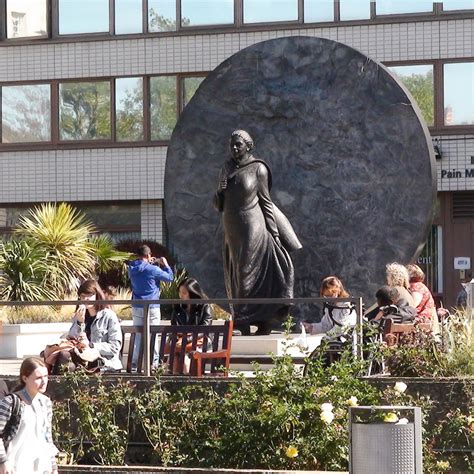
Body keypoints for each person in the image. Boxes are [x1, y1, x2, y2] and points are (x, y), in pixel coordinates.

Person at [214, 130, 301, 335]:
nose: (235, 149)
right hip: (231, 227)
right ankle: (258, 320)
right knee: (236, 272)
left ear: (248, 146)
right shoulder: (226, 168)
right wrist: (220, 190)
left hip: (253, 225)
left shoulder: (258, 169)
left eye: (239, 145)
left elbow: (266, 203)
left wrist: (276, 235)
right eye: (232, 145)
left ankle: (246, 320)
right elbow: (218, 205)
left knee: (246, 270)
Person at [48, 279, 123, 374]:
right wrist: (79, 323)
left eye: (90, 295)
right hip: (82, 358)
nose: (86, 299)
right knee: (64, 357)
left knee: (68, 365)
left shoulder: (109, 316)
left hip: (102, 362)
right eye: (83, 296)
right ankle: (55, 387)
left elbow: (114, 347)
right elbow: (71, 338)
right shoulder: (80, 315)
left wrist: (91, 345)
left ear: (97, 295)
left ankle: (54, 386)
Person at [0, 357, 58, 474]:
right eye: (38, 378)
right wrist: (3, 461)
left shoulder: (45, 402)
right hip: (16, 466)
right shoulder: (11, 402)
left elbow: (47, 436)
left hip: (42, 466)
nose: (44, 381)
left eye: (46, 376)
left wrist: (53, 465)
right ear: (25, 378)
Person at [128, 245, 173, 368]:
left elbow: (141, 265)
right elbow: (170, 278)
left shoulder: (131, 268)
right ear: (148, 255)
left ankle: (135, 364)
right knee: (153, 334)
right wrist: (165, 264)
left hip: (137, 305)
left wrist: (150, 262)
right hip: (152, 306)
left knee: (138, 335)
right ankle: (154, 364)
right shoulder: (153, 270)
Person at [168, 277, 213, 374]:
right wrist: (176, 338)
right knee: (175, 357)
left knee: (183, 357)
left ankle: (187, 383)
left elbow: (204, 329)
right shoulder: (177, 307)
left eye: (184, 293)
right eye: (180, 292)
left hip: (200, 341)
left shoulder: (204, 306)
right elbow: (173, 327)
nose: (181, 296)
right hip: (181, 342)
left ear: (192, 294)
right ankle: (175, 384)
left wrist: (187, 339)